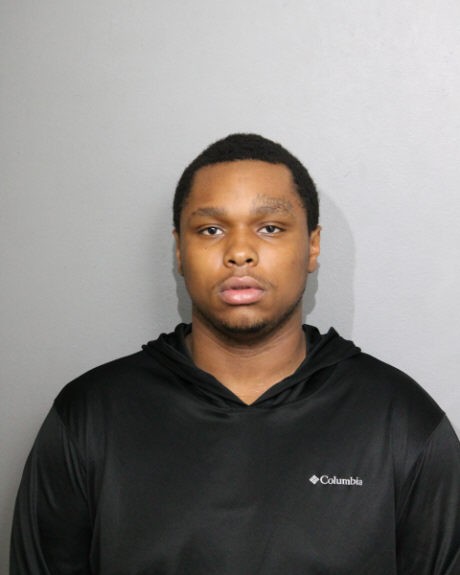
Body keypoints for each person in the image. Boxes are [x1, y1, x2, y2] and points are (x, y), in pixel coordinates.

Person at [10, 134, 460, 574]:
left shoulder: (400, 421)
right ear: (180, 250)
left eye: (270, 228)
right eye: (211, 230)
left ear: (313, 246)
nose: (240, 252)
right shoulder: (90, 416)